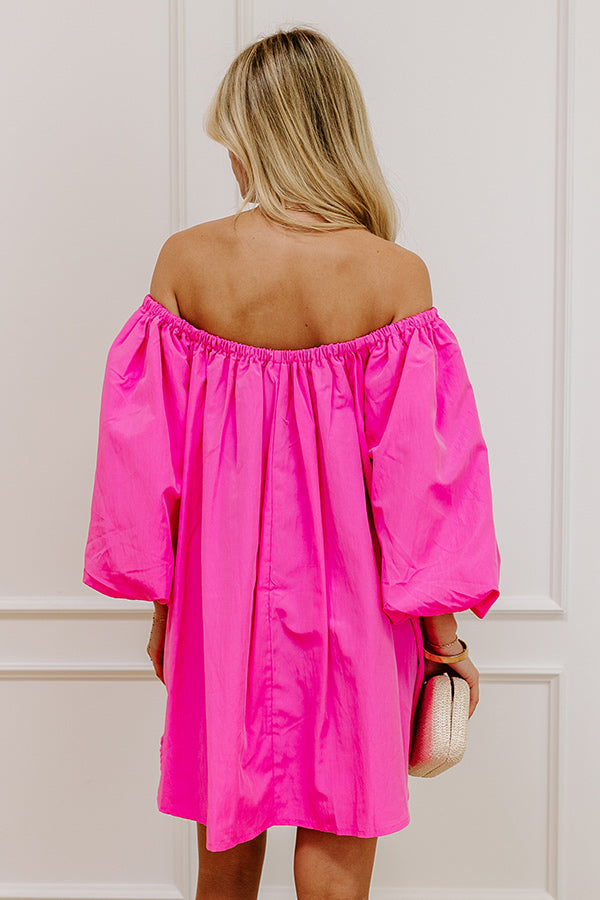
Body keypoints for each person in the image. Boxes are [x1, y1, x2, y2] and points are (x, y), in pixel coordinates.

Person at [82, 26, 501, 900]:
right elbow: (422, 490)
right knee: (340, 834)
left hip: (219, 598)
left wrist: (165, 609)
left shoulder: (188, 264)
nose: (231, 159)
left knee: (225, 849)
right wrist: (445, 645)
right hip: (360, 601)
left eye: (233, 137)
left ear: (261, 136)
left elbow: (145, 464)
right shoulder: (393, 277)